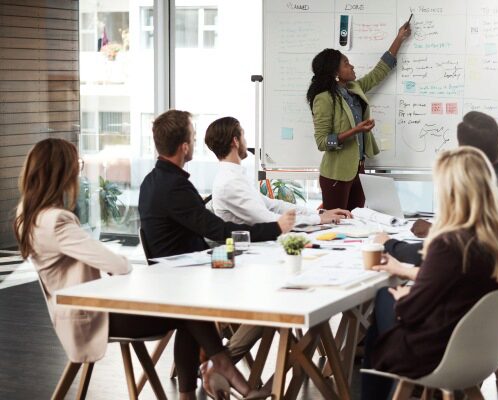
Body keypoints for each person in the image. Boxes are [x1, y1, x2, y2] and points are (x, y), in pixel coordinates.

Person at [13, 139, 268, 400]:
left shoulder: (28, 216)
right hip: (93, 318)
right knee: (189, 310)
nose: (78, 173)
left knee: (188, 309)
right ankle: (220, 375)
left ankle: (211, 379)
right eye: (76, 165)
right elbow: (118, 265)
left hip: (81, 311)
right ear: (60, 173)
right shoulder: (57, 221)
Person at [361, 147, 498, 399]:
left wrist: (404, 298)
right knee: (389, 305)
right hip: (485, 350)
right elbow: (458, 284)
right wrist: (404, 270)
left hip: (444, 353)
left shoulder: (450, 244)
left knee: (384, 297)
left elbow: (411, 311)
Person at [375, 111, 498, 266]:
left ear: (463, 154)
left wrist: (390, 245)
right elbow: (472, 239)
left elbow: (446, 252)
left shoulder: (482, 191)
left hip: (489, 282)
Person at [138, 109, 295, 259]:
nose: (194, 141)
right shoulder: (174, 187)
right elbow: (219, 230)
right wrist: (276, 227)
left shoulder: (151, 181)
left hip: (186, 266)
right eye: (193, 137)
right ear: (185, 148)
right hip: (185, 271)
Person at [308, 21, 411, 211]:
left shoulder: (355, 88)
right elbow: (323, 142)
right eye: (346, 64)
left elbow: (379, 72)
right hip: (336, 175)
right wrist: (354, 131)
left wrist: (399, 39)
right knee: (336, 224)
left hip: (359, 169)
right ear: (335, 73)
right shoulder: (323, 99)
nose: (352, 66)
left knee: (357, 222)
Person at [205, 116, 352, 226]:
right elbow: (268, 219)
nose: (246, 141)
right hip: (251, 250)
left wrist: (320, 213)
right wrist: (319, 219)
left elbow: (273, 205)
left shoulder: (235, 176)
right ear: (235, 141)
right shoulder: (230, 182)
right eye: (243, 136)